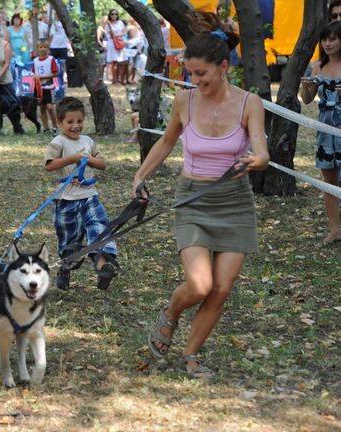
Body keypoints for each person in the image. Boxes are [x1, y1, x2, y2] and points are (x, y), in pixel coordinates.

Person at [131, 11, 268, 378]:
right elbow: (166, 142)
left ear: (224, 67)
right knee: (200, 284)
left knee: (221, 289)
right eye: (190, 73)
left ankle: (191, 354)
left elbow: (261, 151)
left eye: (201, 74)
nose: (195, 80)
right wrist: (140, 174)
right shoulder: (184, 101)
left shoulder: (248, 103)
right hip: (192, 199)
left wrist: (258, 159)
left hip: (235, 202)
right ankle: (171, 313)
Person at [44, 97, 118, 290]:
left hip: (89, 195)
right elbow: (50, 165)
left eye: (79, 121)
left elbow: (102, 163)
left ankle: (103, 268)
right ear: (59, 123)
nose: (75, 126)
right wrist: (74, 158)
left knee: (99, 229)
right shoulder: (58, 142)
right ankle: (64, 269)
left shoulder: (88, 141)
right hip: (67, 200)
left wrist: (88, 160)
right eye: (70, 122)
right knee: (70, 241)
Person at [300, 21, 341, 242]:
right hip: (325, 131)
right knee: (329, 181)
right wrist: (306, 88)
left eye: (333, 38)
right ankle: (335, 229)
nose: (328, 43)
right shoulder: (317, 67)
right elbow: (306, 100)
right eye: (325, 39)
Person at [32, 40, 59, 134]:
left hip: (49, 87)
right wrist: (35, 78)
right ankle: (46, 128)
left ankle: (55, 127)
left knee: (50, 107)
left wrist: (43, 77)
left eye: (44, 47)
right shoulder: (35, 61)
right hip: (39, 88)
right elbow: (34, 73)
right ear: (37, 49)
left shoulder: (51, 59)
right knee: (42, 108)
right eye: (40, 47)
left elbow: (56, 73)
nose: (42, 49)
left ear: (48, 49)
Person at [105, 10, 125, 85]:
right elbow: (111, 35)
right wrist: (110, 26)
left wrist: (118, 35)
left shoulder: (120, 23)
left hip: (120, 43)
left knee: (121, 62)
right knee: (114, 62)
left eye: (115, 14)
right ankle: (115, 80)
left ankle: (119, 79)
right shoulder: (108, 24)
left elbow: (124, 32)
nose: (114, 15)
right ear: (109, 15)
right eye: (112, 14)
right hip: (112, 44)